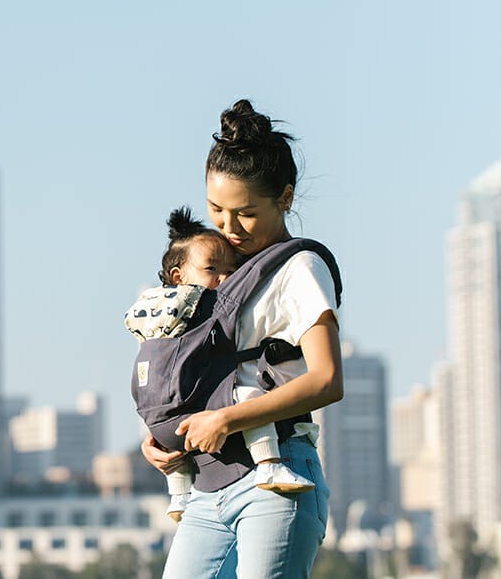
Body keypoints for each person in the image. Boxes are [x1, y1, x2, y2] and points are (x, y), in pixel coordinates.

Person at [140, 99, 344, 578]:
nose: (228, 228)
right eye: (217, 210)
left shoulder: (300, 269)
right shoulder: (217, 275)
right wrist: (158, 440)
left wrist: (226, 419)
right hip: (209, 484)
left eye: (246, 213)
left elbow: (328, 379)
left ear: (286, 198)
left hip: (279, 478)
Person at [125, 207, 316, 522]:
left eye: (231, 271)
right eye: (213, 269)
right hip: (207, 425)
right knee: (250, 397)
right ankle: (270, 465)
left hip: (162, 425)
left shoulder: (151, 310)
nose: (225, 279)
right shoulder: (210, 310)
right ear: (177, 276)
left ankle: (178, 497)